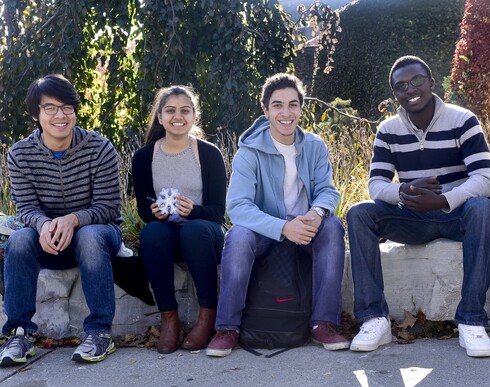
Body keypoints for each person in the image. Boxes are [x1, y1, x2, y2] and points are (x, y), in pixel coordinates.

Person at [347, 56, 490, 357]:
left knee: (482, 208)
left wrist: (443, 200)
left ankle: (471, 321)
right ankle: (375, 319)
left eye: (417, 80)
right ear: (395, 95)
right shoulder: (388, 130)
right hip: (412, 217)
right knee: (359, 212)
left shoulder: (462, 120)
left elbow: (485, 178)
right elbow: (375, 185)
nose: (410, 89)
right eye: (400, 86)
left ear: (431, 81)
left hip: (457, 217)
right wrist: (404, 191)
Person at [206, 73, 349, 357]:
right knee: (238, 235)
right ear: (266, 110)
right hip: (266, 231)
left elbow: (328, 191)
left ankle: (323, 324)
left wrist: (317, 213)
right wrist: (283, 227)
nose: (286, 113)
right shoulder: (249, 152)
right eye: (277, 105)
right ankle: (227, 328)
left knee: (332, 227)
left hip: (307, 227)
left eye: (293, 105)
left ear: (301, 108)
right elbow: (238, 206)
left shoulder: (314, 146)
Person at [0, 74, 122, 366]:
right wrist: (43, 225)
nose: (61, 115)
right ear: (35, 114)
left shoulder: (99, 147)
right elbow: (26, 208)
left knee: (90, 235)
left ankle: (100, 332)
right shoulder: (20, 154)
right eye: (50, 108)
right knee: (18, 240)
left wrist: (73, 220)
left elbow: (108, 205)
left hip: (98, 235)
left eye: (67, 107)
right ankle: (19, 334)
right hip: (47, 238)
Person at [132, 86, 226, 354]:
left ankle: (208, 316)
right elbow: (143, 208)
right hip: (169, 235)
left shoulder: (209, 154)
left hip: (206, 233)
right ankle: (169, 318)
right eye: (170, 111)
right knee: (151, 233)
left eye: (185, 111)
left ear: (194, 116)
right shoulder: (143, 157)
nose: (178, 117)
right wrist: (155, 213)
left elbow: (218, 211)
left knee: (193, 230)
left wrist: (192, 211)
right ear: (160, 117)